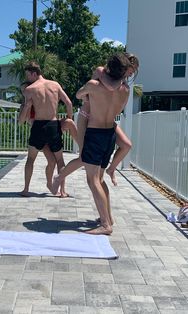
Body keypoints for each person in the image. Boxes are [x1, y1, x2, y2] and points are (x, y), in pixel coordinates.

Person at [55, 52, 138, 235]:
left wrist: (89, 95)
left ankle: (106, 225)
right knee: (99, 179)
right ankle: (107, 217)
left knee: (92, 180)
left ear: (108, 68)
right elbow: (117, 103)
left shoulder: (93, 86)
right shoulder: (125, 90)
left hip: (95, 133)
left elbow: (78, 95)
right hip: (109, 134)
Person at [18, 62, 73, 197]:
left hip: (38, 126)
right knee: (60, 160)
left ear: (34, 73)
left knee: (31, 159)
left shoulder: (30, 89)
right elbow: (69, 103)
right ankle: (62, 191)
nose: (28, 78)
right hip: (53, 126)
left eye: (28, 75)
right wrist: (68, 119)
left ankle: (26, 189)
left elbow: (25, 112)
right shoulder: (55, 85)